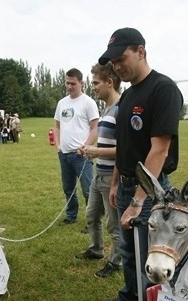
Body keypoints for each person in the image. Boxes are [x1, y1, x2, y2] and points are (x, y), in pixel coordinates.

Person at [96, 28, 183, 301]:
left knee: (151, 259)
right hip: (129, 185)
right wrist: (117, 183)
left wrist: (138, 201)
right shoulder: (128, 96)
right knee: (129, 251)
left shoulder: (163, 90)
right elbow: (124, 146)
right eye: (113, 62)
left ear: (141, 51)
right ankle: (131, 298)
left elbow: (158, 150)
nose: (117, 66)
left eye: (121, 58)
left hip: (152, 190)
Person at [75, 63, 122, 279]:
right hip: (98, 174)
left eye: (96, 82)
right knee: (91, 215)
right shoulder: (106, 110)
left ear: (109, 82)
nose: (93, 87)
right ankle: (96, 250)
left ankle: (116, 261)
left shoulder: (121, 109)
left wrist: (96, 151)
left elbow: (125, 150)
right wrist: (91, 151)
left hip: (112, 177)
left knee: (113, 224)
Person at [53, 68, 100, 226]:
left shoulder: (88, 102)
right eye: (67, 83)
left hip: (81, 156)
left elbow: (95, 129)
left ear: (81, 83)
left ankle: (91, 221)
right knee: (68, 189)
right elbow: (57, 126)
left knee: (88, 189)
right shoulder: (62, 103)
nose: (69, 86)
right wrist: (58, 145)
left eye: (73, 83)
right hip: (64, 154)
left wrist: (86, 146)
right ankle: (71, 215)